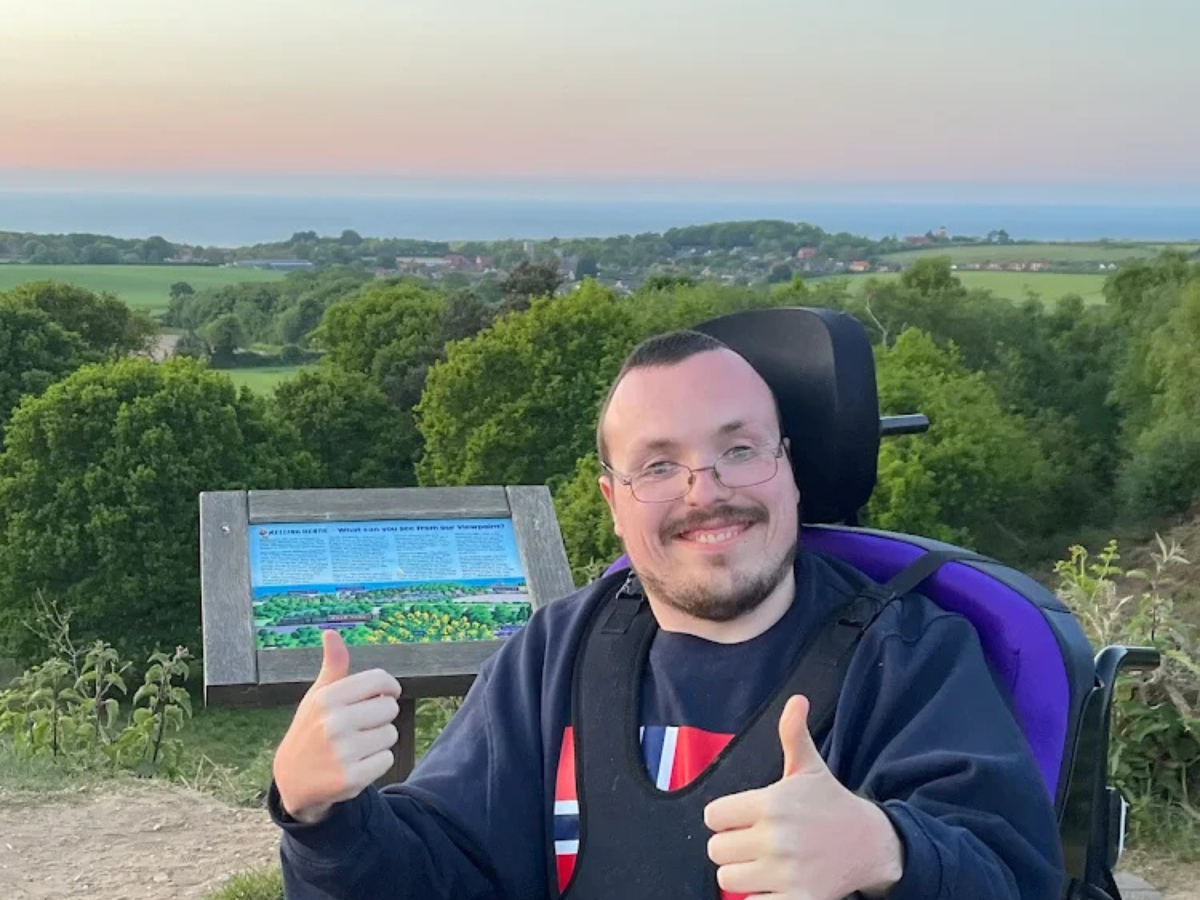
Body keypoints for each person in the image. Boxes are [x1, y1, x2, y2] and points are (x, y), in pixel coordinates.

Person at [268, 329, 1065, 900]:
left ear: (788, 467)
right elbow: (444, 870)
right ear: (614, 502)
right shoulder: (556, 655)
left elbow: (1012, 874)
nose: (704, 491)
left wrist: (887, 852)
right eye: (658, 465)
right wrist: (319, 813)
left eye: (738, 450)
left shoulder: (910, 660)